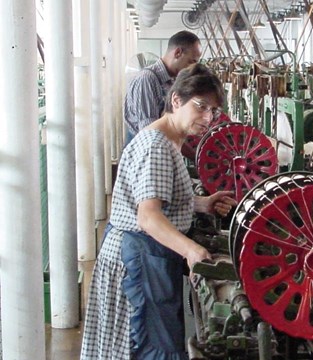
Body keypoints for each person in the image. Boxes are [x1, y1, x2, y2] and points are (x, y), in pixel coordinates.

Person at [81, 63, 237, 360]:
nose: (208, 118)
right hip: (139, 256)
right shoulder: (157, 146)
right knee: (151, 345)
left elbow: (155, 199)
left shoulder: (169, 139)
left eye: (213, 111)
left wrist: (199, 203)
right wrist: (191, 250)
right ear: (176, 100)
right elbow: (149, 217)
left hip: (145, 251)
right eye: (201, 106)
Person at [124, 30, 202, 147]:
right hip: (145, 150)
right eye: (191, 62)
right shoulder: (147, 80)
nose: (192, 68)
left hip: (160, 144)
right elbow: (149, 132)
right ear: (178, 53)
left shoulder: (172, 81)